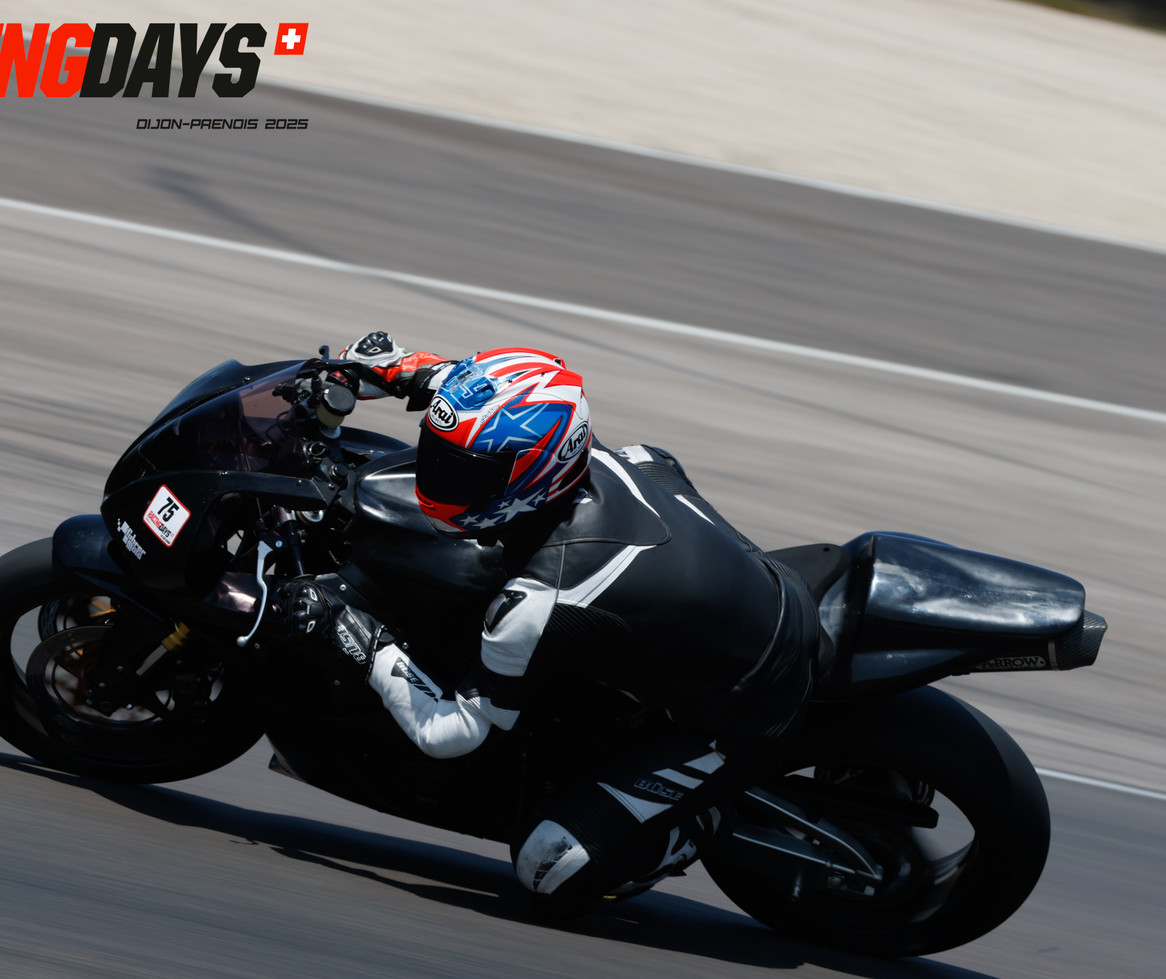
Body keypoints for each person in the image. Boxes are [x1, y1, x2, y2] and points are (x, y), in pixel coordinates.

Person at [280, 331, 821, 910]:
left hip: (748, 705)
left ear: (533, 474)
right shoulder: (558, 445)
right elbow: (468, 390)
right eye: (439, 455)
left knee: (548, 866)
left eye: (467, 473)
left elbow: (449, 734)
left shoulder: (539, 597)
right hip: (740, 590)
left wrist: (356, 632)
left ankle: (703, 820)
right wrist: (390, 368)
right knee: (645, 459)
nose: (439, 478)